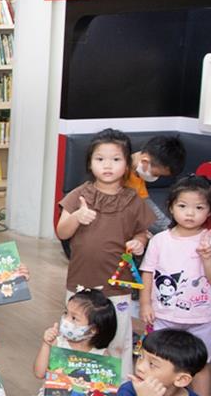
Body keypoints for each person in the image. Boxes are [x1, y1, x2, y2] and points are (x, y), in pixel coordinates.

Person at [57, 128, 152, 368]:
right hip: (81, 282)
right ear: (90, 163)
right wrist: (77, 216)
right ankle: (72, 384)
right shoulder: (79, 195)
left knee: (118, 340)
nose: (107, 165)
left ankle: (119, 386)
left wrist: (139, 242)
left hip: (117, 285)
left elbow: (142, 232)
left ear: (127, 164)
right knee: (77, 337)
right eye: (100, 159)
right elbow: (62, 232)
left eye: (116, 159)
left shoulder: (133, 199)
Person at [141, 176, 211, 396]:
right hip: (164, 315)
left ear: (209, 212)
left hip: (200, 318)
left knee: (200, 367)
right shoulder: (160, 240)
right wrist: (145, 304)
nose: (190, 213)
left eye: (199, 207)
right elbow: (148, 274)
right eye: (183, 206)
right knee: (160, 364)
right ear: (171, 207)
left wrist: (207, 257)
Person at [26, 289, 118, 396]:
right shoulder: (59, 343)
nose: (66, 320)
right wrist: (46, 344)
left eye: (74, 318)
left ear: (93, 329)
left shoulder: (102, 354)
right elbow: (39, 373)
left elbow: (104, 394)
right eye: (66, 313)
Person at [126, 134, 186, 234]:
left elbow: (147, 206)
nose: (156, 178)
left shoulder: (137, 174)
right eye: (156, 174)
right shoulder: (116, 170)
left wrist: (172, 229)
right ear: (145, 161)